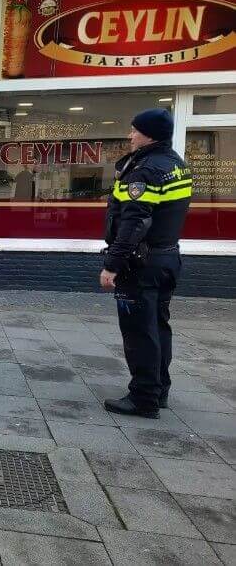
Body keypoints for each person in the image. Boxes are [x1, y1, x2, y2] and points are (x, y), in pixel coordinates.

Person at [100, 108, 192, 419]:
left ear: (148, 134)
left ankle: (143, 397)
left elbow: (134, 222)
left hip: (142, 263)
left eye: (134, 130)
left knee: (139, 331)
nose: (130, 135)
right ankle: (159, 388)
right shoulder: (176, 164)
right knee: (158, 326)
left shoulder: (145, 170)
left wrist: (112, 264)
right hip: (167, 257)